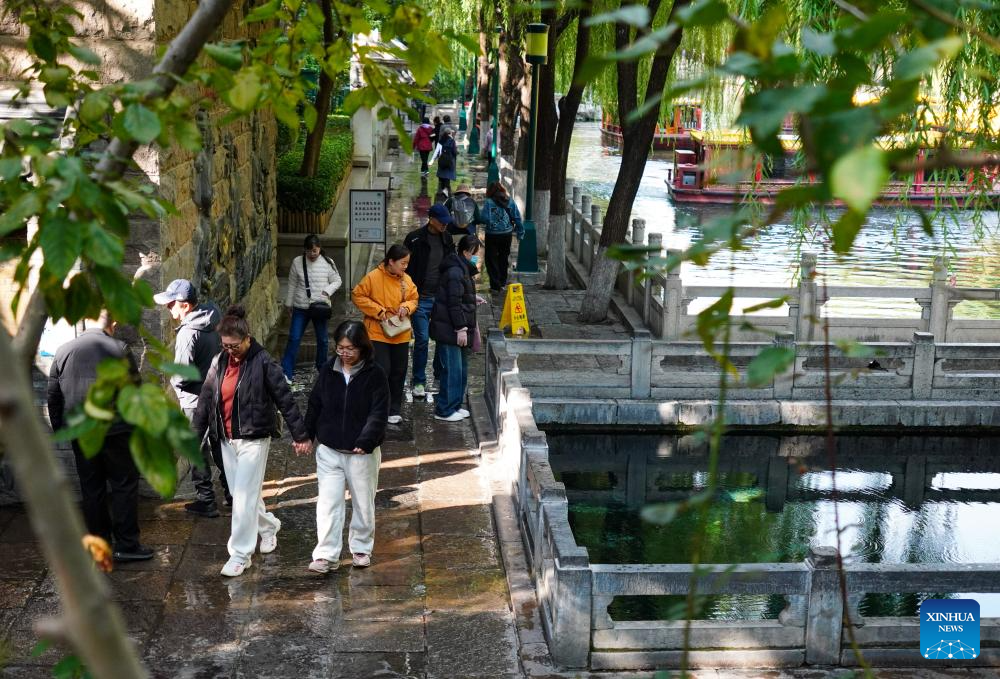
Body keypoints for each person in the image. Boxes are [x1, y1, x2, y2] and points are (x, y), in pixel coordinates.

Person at [193, 306, 312, 577]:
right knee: (242, 495)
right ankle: (269, 526)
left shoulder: (264, 362)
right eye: (225, 345)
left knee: (243, 498)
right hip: (226, 438)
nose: (230, 351)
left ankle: (240, 554)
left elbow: (285, 398)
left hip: (254, 438)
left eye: (234, 346)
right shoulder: (219, 361)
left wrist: (300, 434)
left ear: (247, 338)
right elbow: (205, 399)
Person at [47, 311, 153, 562]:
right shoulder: (119, 350)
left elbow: (54, 394)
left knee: (91, 487)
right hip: (116, 430)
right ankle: (126, 545)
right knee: (124, 485)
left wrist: (60, 427)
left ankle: (99, 543)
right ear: (113, 324)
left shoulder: (63, 351)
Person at [303, 321, 389, 573]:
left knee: (363, 502)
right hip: (330, 451)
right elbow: (315, 404)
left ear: (362, 347)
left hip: (361, 454)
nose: (345, 353)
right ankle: (325, 554)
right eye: (340, 348)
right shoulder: (328, 370)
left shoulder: (375, 375)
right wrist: (305, 435)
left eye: (350, 348)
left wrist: (366, 440)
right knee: (328, 503)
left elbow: (379, 413)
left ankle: (361, 548)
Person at [153, 278, 231, 517]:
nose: (169, 309)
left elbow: (182, 374)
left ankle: (206, 500)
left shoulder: (188, 332)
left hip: (194, 400)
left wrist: (173, 382)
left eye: (171, 304)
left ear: (185, 305)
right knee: (219, 445)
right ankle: (234, 493)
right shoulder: (213, 316)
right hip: (216, 393)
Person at [351, 245, 419, 425]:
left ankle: (393, 409)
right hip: (377, 332)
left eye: (407, 263)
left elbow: (414, 299)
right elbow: (357, 295)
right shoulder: (373, 277)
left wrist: (406, 308)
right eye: (403, 263)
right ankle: (377, 407)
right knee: (382, 370)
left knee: (399, 371)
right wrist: (378, 311)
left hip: (400, 332)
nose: (405, 266)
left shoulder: (406, 279)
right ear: (391, 261)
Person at [404, 204, 456, 398]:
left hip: (440, 298)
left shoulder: (447, 238)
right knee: (422, 339)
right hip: (419, 299)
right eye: (442, 221)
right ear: (431, 220)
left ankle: (439, 375)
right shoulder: (414, 238)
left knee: (442, 338)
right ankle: (419, 380)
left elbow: (452, 265)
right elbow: (404, 267)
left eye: (446, 222)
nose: (445, 225)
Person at [431, 235, 480, 422]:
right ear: (466, 252)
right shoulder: (455, 271)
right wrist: (460, 328)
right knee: (452, 370)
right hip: (450, 329)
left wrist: (473, 299)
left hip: (457, 327)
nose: (476, 257)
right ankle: (444, 409)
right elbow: (453, 303)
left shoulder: (462, 269)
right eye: (475, 253)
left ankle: (455, 405)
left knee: (461, 370)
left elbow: (460, 296)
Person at [281, 234, 342, 384]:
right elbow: (292, 284)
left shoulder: (328, 262)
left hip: (320, 307)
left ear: (319, 248)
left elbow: (337, 280)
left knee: (323, 340)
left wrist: (327, 291)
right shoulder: (297, 262)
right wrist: (289, 304)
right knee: (294, 338)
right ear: (305, 250)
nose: (312, 254)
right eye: (309, 251)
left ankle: (322, 368)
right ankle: (286, 372)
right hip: (301, 307)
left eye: (315, 250)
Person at [481, 181, 524, 292]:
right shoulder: (510, 201)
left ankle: (495, 285)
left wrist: (491, 223)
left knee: (491, 259)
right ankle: (502, 282)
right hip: (506, 235)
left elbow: (484, 218)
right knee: (503, 258)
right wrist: (520, 232)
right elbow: (517, 218)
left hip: (492, 235)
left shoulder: (489, 202)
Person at [431, 127, 458, 195]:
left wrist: (432, 160)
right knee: (447, 177)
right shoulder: (452, 141)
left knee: (442, 177)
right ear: (450, 133)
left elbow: (437, 151)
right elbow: (454, 152)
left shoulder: (441, 141)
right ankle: (446, 192)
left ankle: (442, 190)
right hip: (450, 162)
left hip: (442, 161)